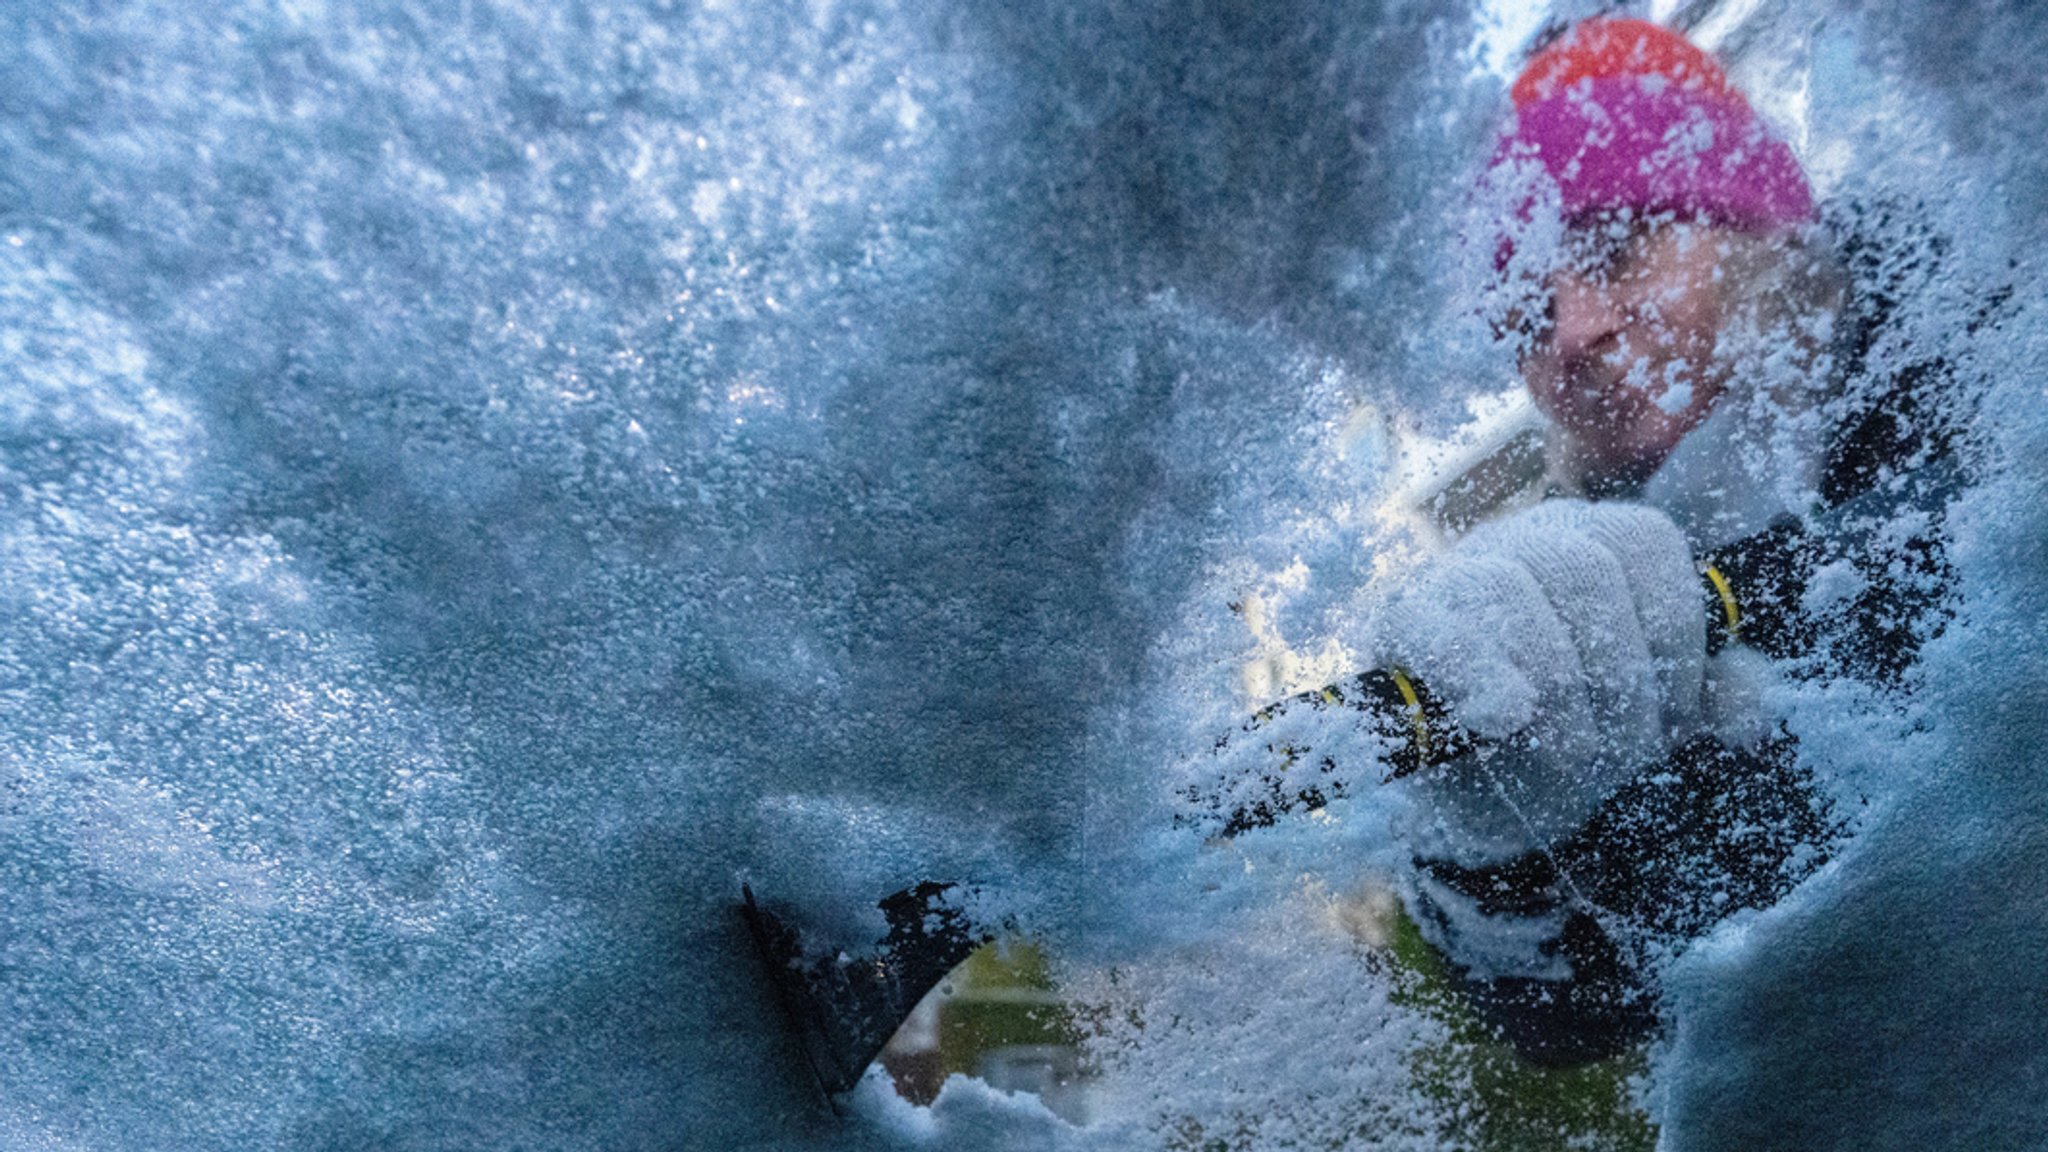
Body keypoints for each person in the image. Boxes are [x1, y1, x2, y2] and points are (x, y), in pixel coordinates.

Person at [1361, 16, 1967, 1067]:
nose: (1569, 332)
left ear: (1747, 229)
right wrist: (1496, 841)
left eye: (1609, 250)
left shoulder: (1962, 318)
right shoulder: (1569, 560)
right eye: (1520, 313)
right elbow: (1557, 1026)